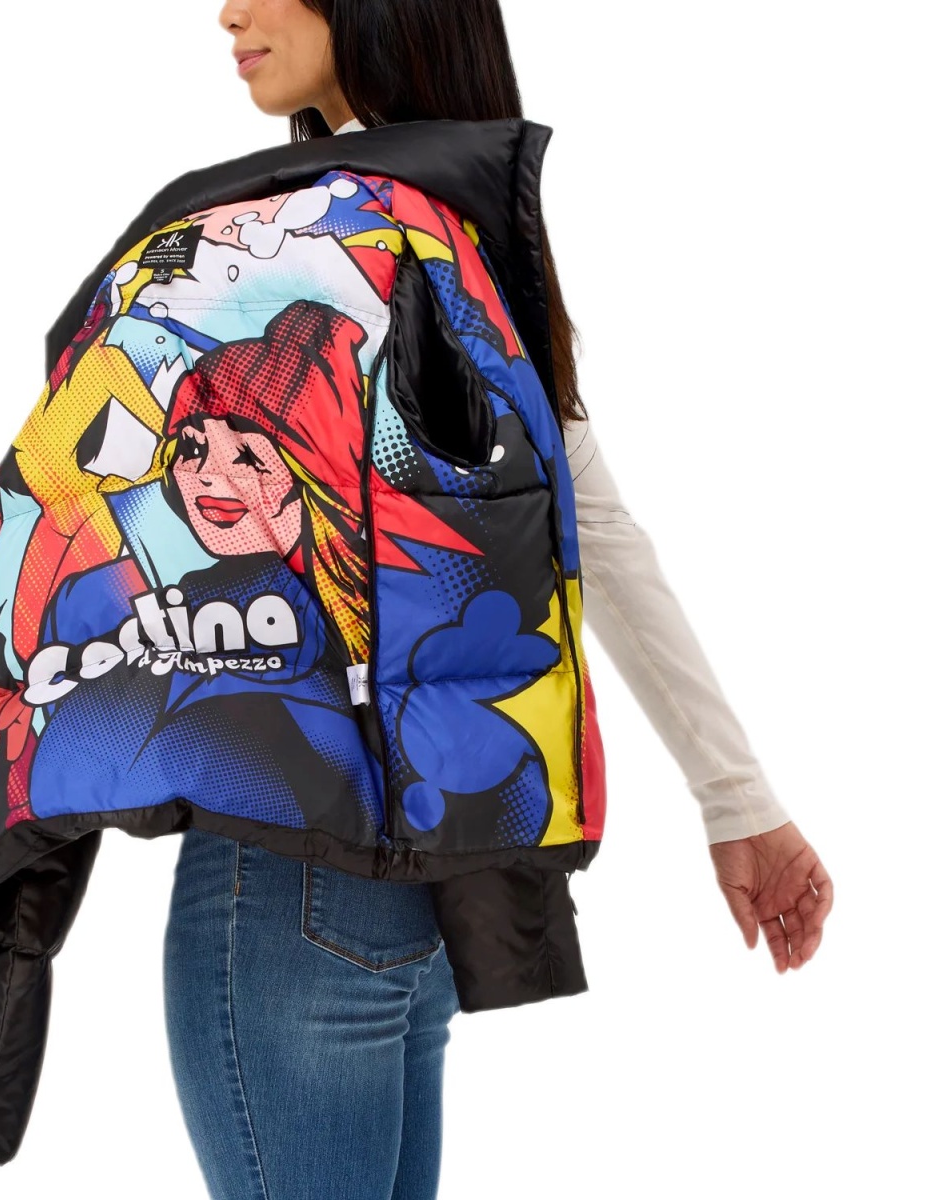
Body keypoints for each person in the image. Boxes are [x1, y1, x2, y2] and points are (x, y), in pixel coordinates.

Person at [154, 3, 834, 1198]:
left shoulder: (295, 238)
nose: (230, 10)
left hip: (286, 866)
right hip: (426, 876)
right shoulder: (463, 222)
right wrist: (737, 800)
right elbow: (591, 527)